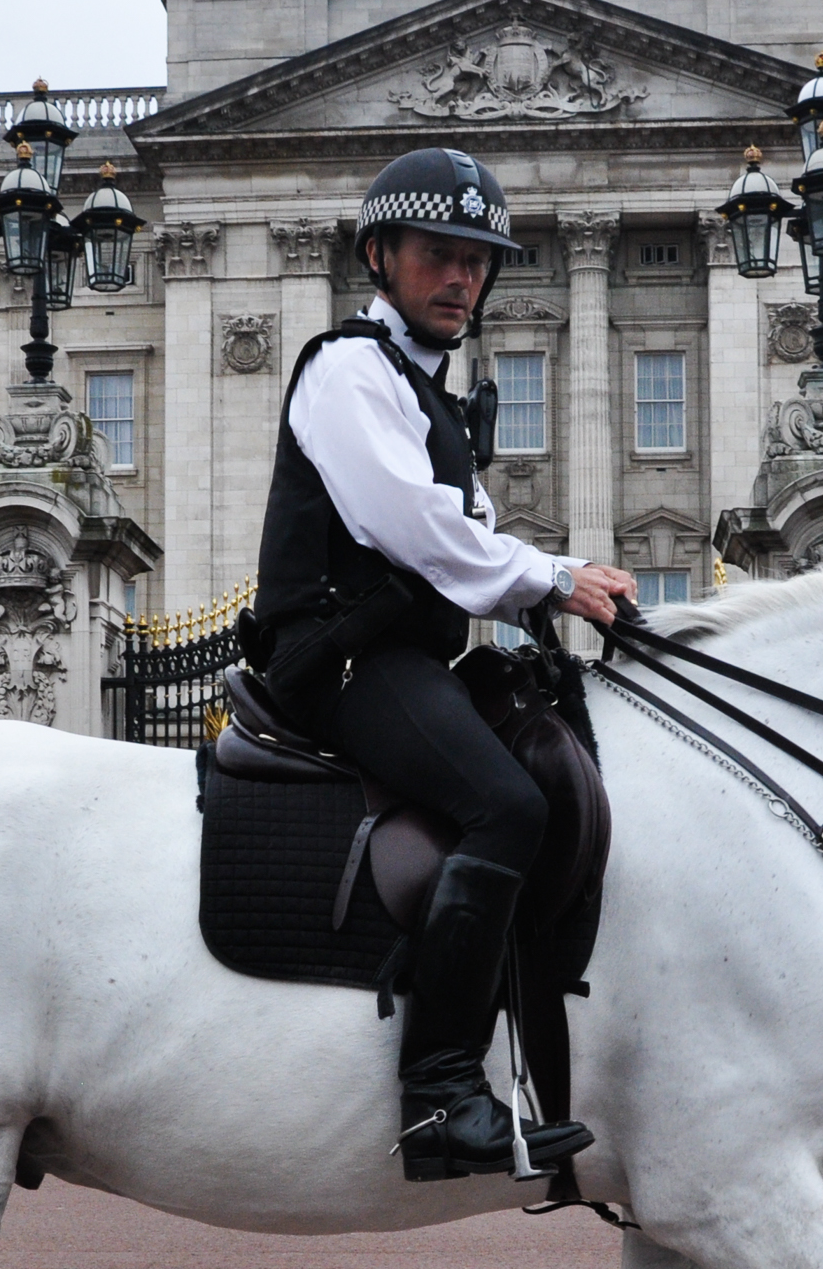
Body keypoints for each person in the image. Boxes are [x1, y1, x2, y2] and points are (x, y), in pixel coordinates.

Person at [242, 145, 632, 1182]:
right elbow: (415, 530)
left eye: (477, 260)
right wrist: (552, 578)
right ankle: (440, 1093)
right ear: (381, 257)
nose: (461, 277)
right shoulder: (348, 371)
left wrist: (532, 619)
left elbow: (468, 551)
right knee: (507, 805)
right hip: (336, 657)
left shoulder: (439, 400)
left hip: (399, 656)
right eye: (438, 254)